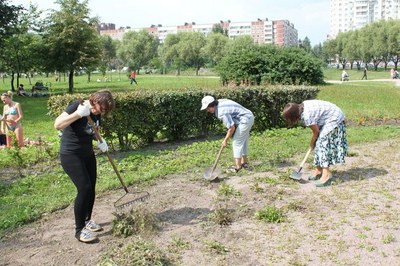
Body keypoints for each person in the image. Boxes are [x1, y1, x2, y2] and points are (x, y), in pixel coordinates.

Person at [54, 90, 115, 243]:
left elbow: (93, 131)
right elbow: (58, 124)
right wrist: (78, 114)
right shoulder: (77, 106)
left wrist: (100, 140)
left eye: (105, 110)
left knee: (91, 187)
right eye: (101, 108)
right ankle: (79, 230)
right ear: (94, 101)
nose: (102, 112)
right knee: (84, 188)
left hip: (87, 154)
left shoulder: (97, 113)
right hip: (71, 155)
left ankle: (87, 220)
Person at [282, 100, 348, 187]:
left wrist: (311, 143)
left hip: (334, 117)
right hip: (329, 117)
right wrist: (314, 143)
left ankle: (326, 175)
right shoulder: (302, 107)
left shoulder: (307, 116)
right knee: (319, 143)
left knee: (323, 144)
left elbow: (316, 132)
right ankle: (318, 171)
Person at [200, 95, 254, 173]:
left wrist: (225, 140)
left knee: (236, 142)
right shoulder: (219, 102)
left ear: (212, 105)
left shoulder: (222, 112)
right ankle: (244, 163)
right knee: (243, 141)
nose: (207, 110)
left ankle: (237, 167)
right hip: (249, 116)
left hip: (245, 120)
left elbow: (231, 128)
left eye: (208, 108)